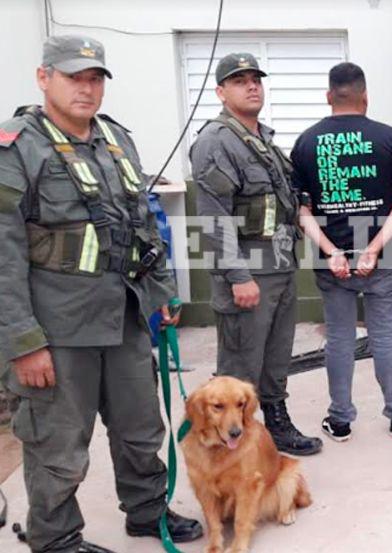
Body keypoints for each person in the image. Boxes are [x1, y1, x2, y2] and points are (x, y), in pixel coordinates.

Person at [0, 35, 202, 553]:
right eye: (74, 77)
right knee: (58, 444)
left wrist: (163, 293)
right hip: (58, 329)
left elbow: (143, 225)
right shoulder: (16, 147)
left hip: (126, 316)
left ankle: (147, 512)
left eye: (94, 79)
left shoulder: (116, 140)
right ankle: (57, 539)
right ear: (44, 78)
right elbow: (3, 255)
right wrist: (24, 342)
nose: (86, 89)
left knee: (141, 427)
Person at [190, 52, 321, 455]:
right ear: (221, 91)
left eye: (255, 79)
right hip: (247, 272)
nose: (251, 86)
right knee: (241, 362)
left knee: (276, 354)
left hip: (279, 267)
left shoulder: (262, 138)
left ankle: (275, 420)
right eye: (239, 80)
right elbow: (215, 221)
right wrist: (238, 276)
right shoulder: (216, 142)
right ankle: (228, 442)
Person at [291, 62, 392, 442]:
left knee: (340, 338)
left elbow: (302, 211)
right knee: (383, 336)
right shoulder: (389, 138)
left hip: (332, 260)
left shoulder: (306, 143)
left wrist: (332, 251)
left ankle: (341, 420)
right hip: (384, 256)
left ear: (329, 96)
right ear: (365, 96)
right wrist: (375, 247)